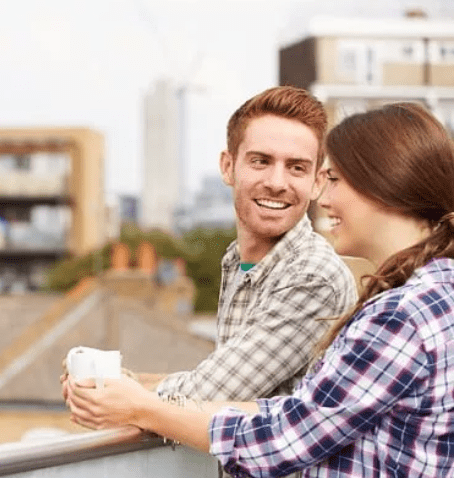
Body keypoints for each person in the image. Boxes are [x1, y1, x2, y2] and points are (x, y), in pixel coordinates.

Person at [66, 102, 454, 477]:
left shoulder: (400, 314)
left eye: (333, 179)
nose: (324, 197)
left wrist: (138, 408)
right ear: (227, 165)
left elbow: (283, 438)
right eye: (261, 161)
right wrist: (134, 389)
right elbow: (304, 409)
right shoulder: (434, 294)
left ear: (384, 183)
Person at [64, 86, 357, 404]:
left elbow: (207, 397)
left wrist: (113, 392)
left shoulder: (313, 276)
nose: (276, 182)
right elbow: (218, 377)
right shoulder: (239, 261)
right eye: (260, 161)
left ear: (316, 182)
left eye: (296, 167)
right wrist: (122, 381)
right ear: (228, 167)